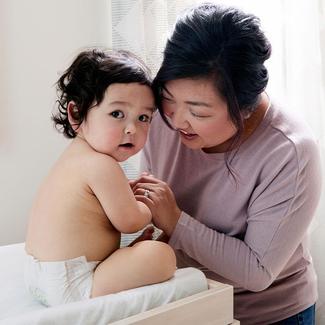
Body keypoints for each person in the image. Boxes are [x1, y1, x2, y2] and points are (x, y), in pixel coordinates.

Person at [130, 3, 322, 324]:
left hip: (267, 313)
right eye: (169, 98)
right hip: (187, 301)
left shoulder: (290, 152)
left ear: (245, 108)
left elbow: (257, 271)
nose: (177, 120)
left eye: (199, 112)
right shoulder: (160, 116)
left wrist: (175, 221)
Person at [24, 48, 176, 307]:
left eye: (143, 118)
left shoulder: (73, 158)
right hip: (72, 284)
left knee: (134, 255)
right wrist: (146, 205)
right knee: (161, 255)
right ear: (76, 114)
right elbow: (130, 222)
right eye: (117, 114)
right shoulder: (102, 165)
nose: (132, 128)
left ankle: (116, 265)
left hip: (38, 276)